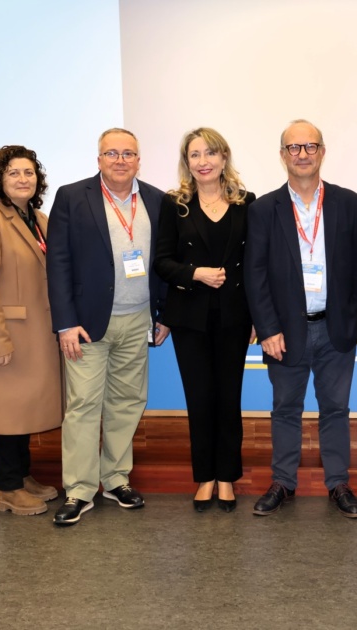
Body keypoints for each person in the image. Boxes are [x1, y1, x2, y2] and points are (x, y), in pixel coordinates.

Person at [244, 119, 357, 518]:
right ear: (283, 155)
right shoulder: (263, 209)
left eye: (310, 146)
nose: (302, 154)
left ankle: (338, 483)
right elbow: (255, 274)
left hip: (335, 330)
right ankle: (283, 482)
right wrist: (267, 328)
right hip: (284, 332)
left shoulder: (348, 203)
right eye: (294, 148)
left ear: (322, 152)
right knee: (285, 410)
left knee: (336, 410)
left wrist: (355, 321)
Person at [46, 128, 168, 526]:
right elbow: (58, 263)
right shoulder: (72, 196)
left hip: (138, 319)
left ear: (138, 160)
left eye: (128, 153)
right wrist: (65, 323)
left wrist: (163, 314)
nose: (120, 160)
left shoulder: (157, 199)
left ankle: (115, 479)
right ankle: (80, 489)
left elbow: (165, 263)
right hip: (86, 324)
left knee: (127, 401)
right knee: (83, 404)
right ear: (98, 159)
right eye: (111, 153)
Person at [154, 128, 254, 512]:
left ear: (224, 157)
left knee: (229, 398)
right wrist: (195, 273)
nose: (203, 161)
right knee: (199, 400)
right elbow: (162, 261)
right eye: (194, 155)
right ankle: (205, 478)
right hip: (190, 318)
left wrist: (259, 317)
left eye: (210, 153)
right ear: (187, 162)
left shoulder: (247, 203)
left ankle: (226, 477)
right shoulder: (174, 204)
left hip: (235, 316)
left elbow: (256, 263)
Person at [0, 145, 63, 516]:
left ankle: (21, 476)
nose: (23, 179)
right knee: (6, 411)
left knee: (22, 409)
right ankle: (7, 488)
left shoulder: (39, 219)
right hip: (7, 334)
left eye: (29, 172)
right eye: (13, 173)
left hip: (37, 332)